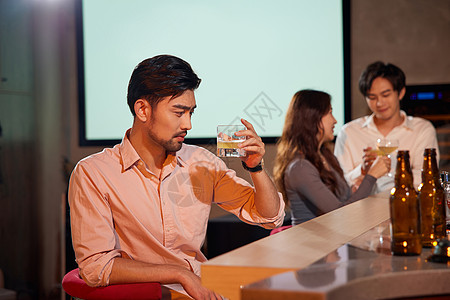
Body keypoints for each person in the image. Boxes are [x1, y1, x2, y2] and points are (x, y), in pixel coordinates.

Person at [68, 55, 285, 300]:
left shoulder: (201, 162)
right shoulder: (93, 173)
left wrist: (256, 168)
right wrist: (180, 274)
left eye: (191, 112)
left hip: (203, 291)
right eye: (179, 112)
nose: (188, 124)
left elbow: (269, 217)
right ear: (142, 109)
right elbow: (97, 267)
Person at [273, 90, 389, 225]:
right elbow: (340, 213)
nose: (335, 120)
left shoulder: (325, 156)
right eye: (329, 113)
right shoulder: (300, 167)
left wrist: (364, 173)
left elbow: (343, 199)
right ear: (313, 117)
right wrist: (372, 176)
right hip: (311, 243)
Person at [334, 61, 439, 193]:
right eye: (372, 97)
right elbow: (338, 184)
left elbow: (424, 179)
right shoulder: (349, 132)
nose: (379, 103)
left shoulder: (421, 129)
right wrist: (362, 170)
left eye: (386, 95)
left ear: (401, 93)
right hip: (361, 209)